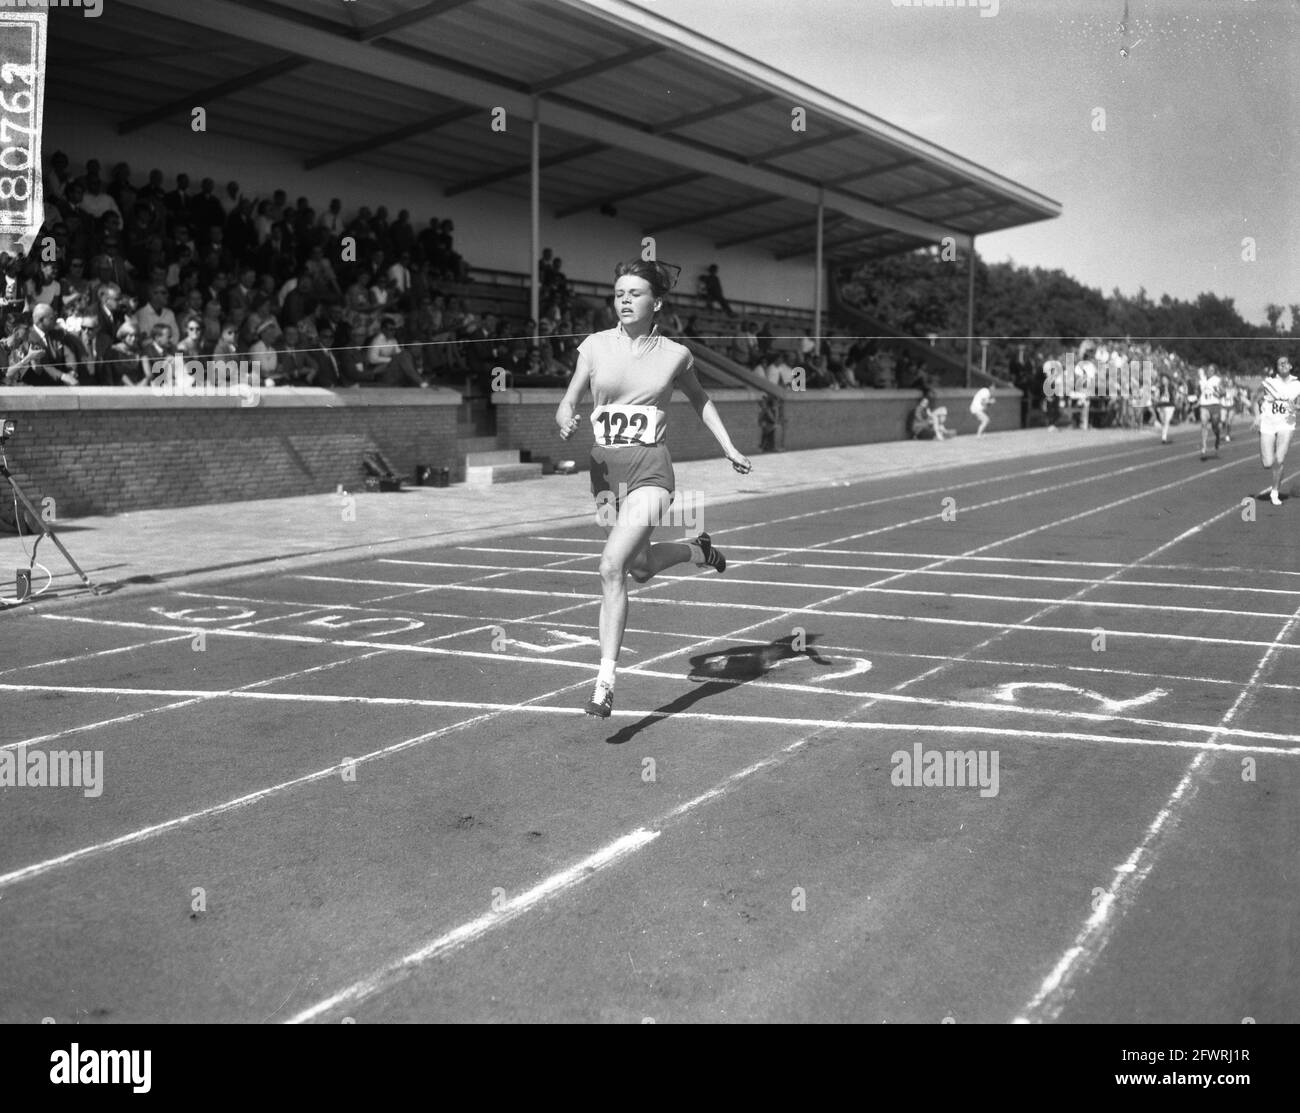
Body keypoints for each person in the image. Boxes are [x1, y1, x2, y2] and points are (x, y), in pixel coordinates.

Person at [555, 259, 751, 718]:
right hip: (605, 472)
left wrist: (729, 446)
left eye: (634, 293)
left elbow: (700, 398)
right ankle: (696, 550)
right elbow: (568, 399)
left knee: (610, 567)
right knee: (639, 567)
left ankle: (604, 682)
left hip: (651, 470)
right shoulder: (594, 346)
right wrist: (565, 417)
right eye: (619, 292)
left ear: (655, 303)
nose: (624, 299)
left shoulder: (675, 355)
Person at [1252, 356, 1300, 506]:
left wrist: (1297, 408)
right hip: (1268, 424)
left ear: (1290, 366)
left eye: (1286, 362)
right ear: (1277, 368)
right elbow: (1255, 399)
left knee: (1279, 458)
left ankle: (1274, 492)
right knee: (1268, 463)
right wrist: (1257, 416)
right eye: (1280, 364)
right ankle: (1276, 470)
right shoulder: (1268, 383)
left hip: (1287, 425)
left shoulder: (1297, 384)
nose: (1283, 365)